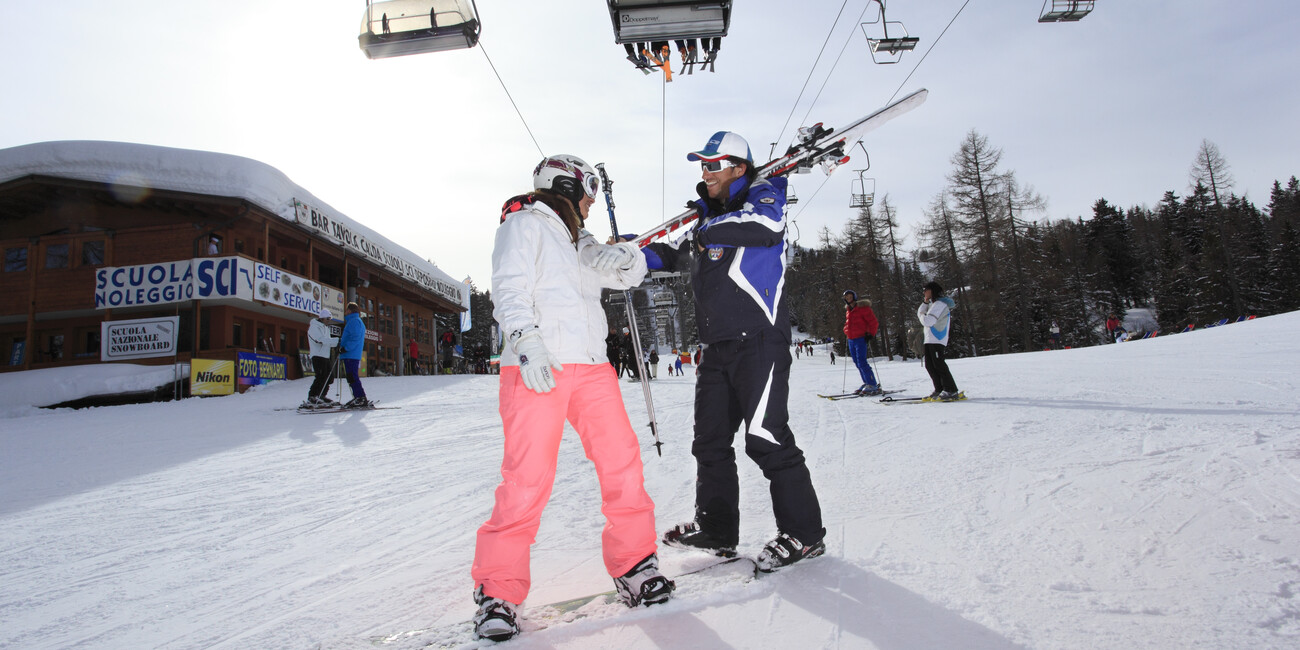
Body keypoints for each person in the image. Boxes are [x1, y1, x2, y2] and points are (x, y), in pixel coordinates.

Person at [471, 154, 672, 642]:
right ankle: (497, 592)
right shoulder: (524, 224)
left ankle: (634, 563)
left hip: (592, 367)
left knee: (622, 463)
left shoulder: (579, 241)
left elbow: (622, 277)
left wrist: (629, 259)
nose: (590, 204)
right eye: (587, 194)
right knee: (526, 480)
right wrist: (525, 338)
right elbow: (509, 288)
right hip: (538, 365)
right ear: (568, 185)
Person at [642, 131, 826, 573]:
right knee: (709, 441)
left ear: (739, 168)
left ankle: (805, 535)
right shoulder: (712, 221)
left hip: (759, 341)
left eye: (713, 165)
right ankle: (717, 529)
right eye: (702, 166)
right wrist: (633, 251)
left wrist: (706, 227)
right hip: (716, 347)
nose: (705, 174)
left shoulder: (763, 197)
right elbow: (681, 257)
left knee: (766, 437)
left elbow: (766, 228)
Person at [917, 281, 963, 402]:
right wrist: (925, 303)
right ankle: (939, 389)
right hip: (930, 339)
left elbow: (927, 321)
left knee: (939, 364)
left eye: (926, 289)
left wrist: (922, 315)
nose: (924, 292)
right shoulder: (933, 304)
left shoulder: (939, 304)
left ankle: (951, 389)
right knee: (930, 366)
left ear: (932, 291)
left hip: (937, 338)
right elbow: (920, 313)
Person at [842, 290, 881, 395]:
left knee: (862, 361)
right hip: (851, 339)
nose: (848, 298)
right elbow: (848, 324)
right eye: (846, 297)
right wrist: (846, 331)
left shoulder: (863, 308)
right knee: (856, 362)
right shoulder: (848, 310)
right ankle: (866, 382)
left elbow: (873, 322)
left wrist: (870, 334)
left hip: (860, 338)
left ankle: (872, 383)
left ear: (854, 297)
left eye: (850, 296)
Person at [300, 307, 340, 409]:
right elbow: (320, 340)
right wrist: (337, 341)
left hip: (325, 356)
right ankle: (313, 396)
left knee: (329, 377)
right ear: (322, 318)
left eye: (330, 319)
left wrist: (338, 344)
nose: (329, 321)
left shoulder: (325, 328)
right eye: (327, 319)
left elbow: (328, 341)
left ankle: (321, 395)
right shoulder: (314, 327)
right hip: (317, 355)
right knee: (321, 376)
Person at [338, 302, 372, 409]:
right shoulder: (354, 321)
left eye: (347, 309)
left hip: (350, 354)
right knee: (351, 377)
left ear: (350, 310)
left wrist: (345, 348)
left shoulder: (354, 322)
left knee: (352, 376)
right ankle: (358, 397)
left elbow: (355, 338)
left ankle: (360, 397)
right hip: (350, 354)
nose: (345, 312)